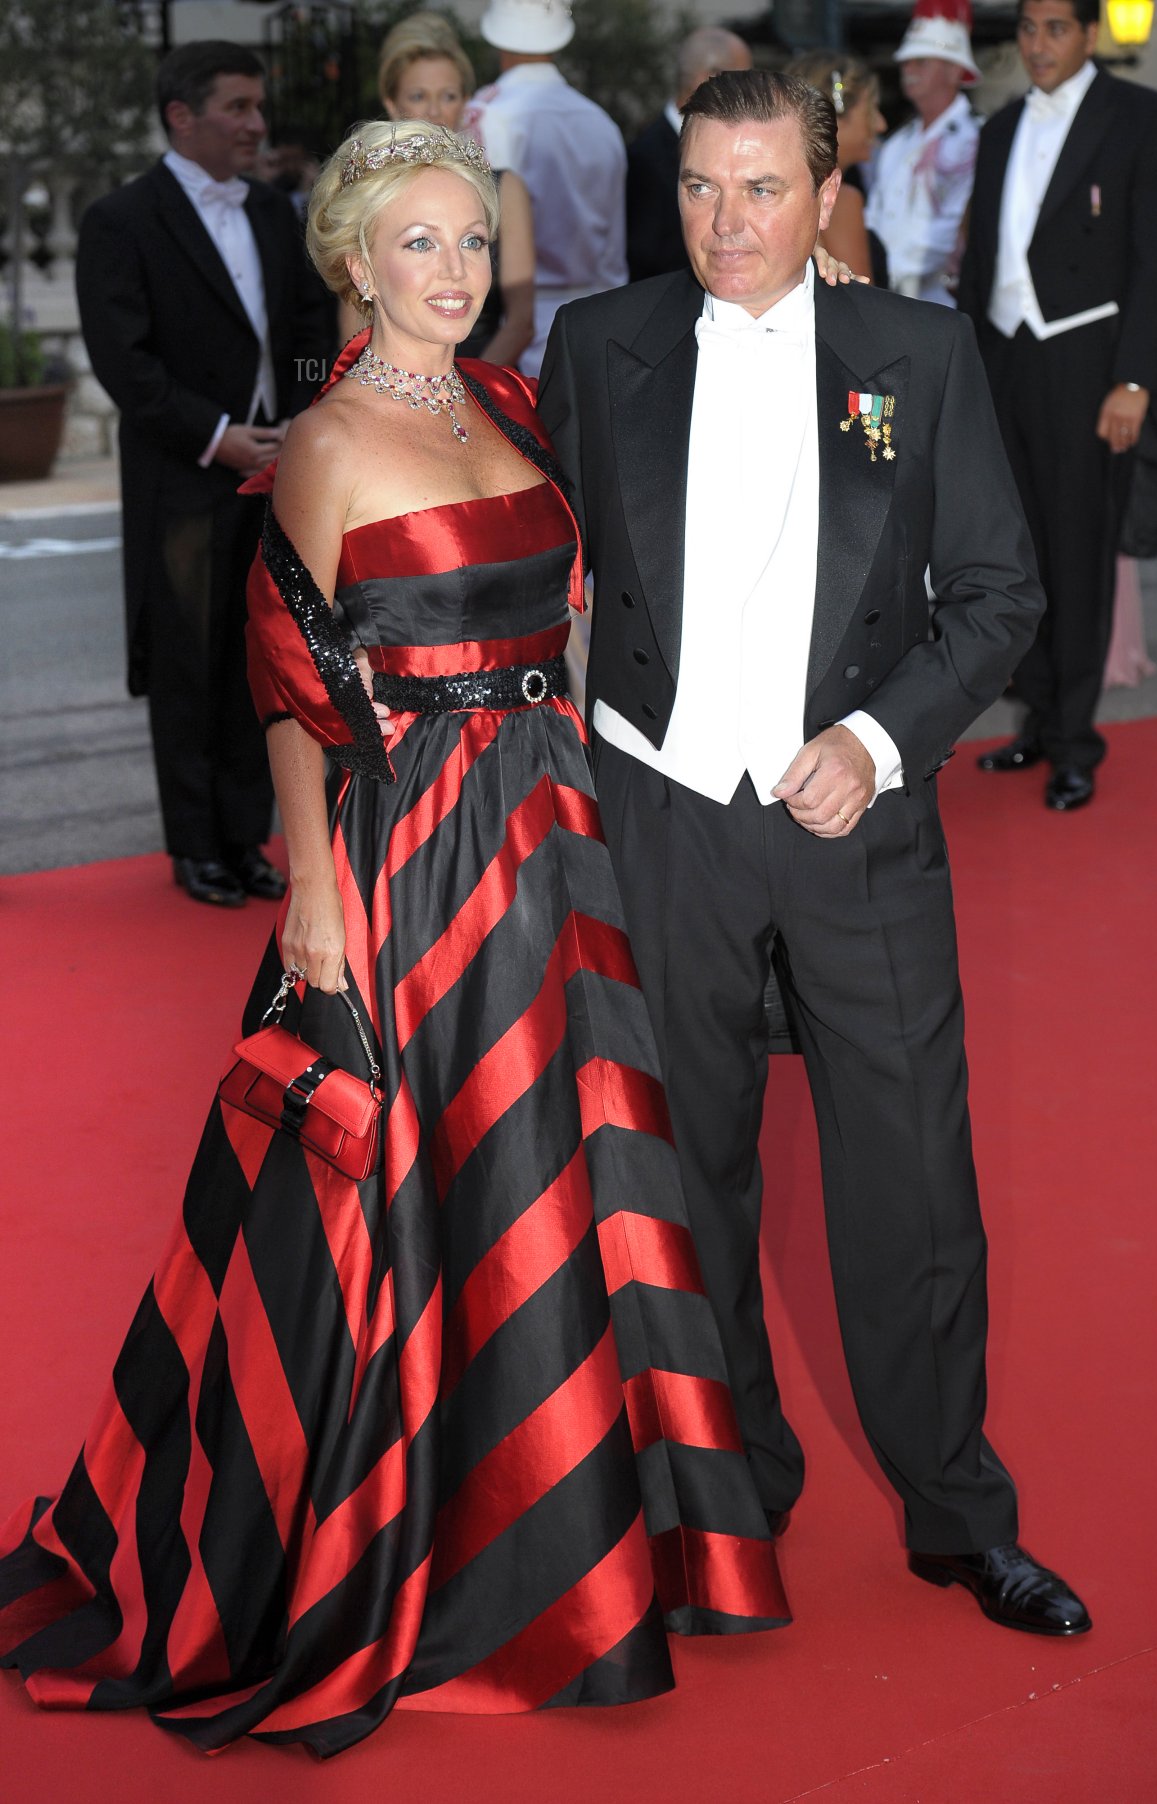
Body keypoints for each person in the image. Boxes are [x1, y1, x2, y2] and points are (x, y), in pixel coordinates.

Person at [0, 119, 787, 1758]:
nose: (455, 272)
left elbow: (564, 623)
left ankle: (579, 1517)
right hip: (416, 847)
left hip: (549, 832)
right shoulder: (326, 443)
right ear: (355, 260)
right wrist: (311, 895)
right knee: (427, 1182)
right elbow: (293, 688)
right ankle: (422, 1539)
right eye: (418, 244)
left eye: (473, 243)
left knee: (566, 1165)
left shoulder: (501, 398)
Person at [540, 69, 1091, 1637]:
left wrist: (876, 742)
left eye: (764, 189)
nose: (728, 223)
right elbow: (517, 527)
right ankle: (731, 1492)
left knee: (911, 1176)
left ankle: (955, 1511)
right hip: (661, 815)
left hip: (859, 821)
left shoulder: (917, 352)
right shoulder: (599, 346)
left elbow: (998, 592)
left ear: (827, 190)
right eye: (704, 188)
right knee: (689, 1178)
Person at [75, 41, 331, 907]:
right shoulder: (120, 220)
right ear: (181, 117)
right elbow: (124, 360)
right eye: (237, 108)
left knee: (260, 660)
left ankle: (246, 842)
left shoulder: (273, 209)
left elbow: (306, 326)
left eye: (258, 107)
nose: (258, 125)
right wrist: (217, 435)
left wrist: (303, 416)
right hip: (184, 478)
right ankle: (196, 850)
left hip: (276, 471)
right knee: (188, 664)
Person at [957, 0, 1157, 810]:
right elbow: (983, 260)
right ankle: (1037, 715)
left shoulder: (1146, 120)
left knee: (1080, 555)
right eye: (1027, 28)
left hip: (1091, 366)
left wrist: (1134, 382)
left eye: (1055, 27)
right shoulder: (997, 130)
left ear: (1090, 34)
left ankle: (1075, 742)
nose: (1037, 44)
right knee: (1016, 556)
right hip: (1004, 358)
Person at [464, 0, 626, 375]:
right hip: (601, 324)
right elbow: (615, 246)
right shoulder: (600, 121)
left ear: (498, 37)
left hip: (515, 333)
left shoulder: (488, 114)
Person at [377, 10, 535, 365]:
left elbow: (521, 322)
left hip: (483, 380)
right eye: (418, 96)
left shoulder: (504, 188)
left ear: (466, 103)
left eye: (448, 96)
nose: (434, 111)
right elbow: (354, 328)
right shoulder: (371, 196)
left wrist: (467, 397)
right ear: (391, 103)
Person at [864, 0, 981, 305]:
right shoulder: (895, 144)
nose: (909, 70)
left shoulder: (977, 140)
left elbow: (957, 227)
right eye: (906, 62)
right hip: (885, 297)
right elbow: (874, 218)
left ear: (955, 70)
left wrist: (890, 272)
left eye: (921, 62)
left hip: (940, 304)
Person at [626, 26, 753, 284]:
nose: (751, 92)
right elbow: (644, 255)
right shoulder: (647, 156)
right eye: (744, 80)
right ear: (711, 77)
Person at [788, 50, 888, 286]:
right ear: (836, 118)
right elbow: (862, 304)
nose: (881, 124)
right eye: (871, 110)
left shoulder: (782, 191)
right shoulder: (839, 198)